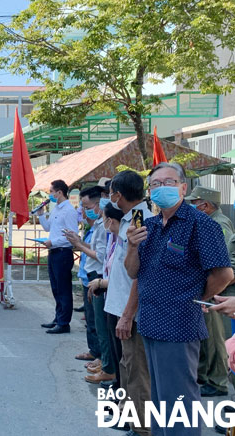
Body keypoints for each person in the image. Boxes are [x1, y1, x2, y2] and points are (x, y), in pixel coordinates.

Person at [125, 163, 233, 436]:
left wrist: (194, 298)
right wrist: (132, 247)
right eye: (156, 184)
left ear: (184, 187)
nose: (163, 188)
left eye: (170, 182)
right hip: (149, 323)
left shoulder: (201, 225)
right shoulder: (148, 226)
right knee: (160, 403)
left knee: (179, 404)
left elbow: (224, 274)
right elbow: (133, 271)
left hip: (179, 326)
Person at [103, 170, 153, 436]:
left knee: (136, 370)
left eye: (111, 192)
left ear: (118, 195)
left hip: (128, 308)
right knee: (126, 367)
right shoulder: (128, 219)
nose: (110, 197)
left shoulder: (140, 220)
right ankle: (128, 415)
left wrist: (127, 313)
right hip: (118, 304)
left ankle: (142, 427)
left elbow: (139, 273)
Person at [185, 186, 234, 398]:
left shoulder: (217, 225)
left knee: (216, 340)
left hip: (221, 291)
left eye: (193, 203)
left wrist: (211, 291)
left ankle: (218, 382)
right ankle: (208, 377)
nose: (190, 207)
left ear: (204, 205)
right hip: (213, 290)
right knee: (209, 338)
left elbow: (223, 265)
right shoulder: (209, 222)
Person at [68, 186, 111, 383]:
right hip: (92, 275)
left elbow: (101, 256)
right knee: (94, 321)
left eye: (86, 206)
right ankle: (101, 359)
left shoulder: (105, 226)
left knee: (101, 323)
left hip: (100, 276)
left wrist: (79, 246)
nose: (84, 211)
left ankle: (104, 362)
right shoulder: (97, 225)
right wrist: (79, 242)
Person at [87, 202, 124, 390]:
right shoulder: (115, 237)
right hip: (109, 291)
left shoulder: (125, 238)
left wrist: (102, 283)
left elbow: (125, 276)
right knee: (110, 337)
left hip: (119, 297)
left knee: (121, 346)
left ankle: (117, 381)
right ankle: (116, 380)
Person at [36, 180, 79, 334]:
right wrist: (41, 215)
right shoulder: (56, 209)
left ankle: (64, 322)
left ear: (60, 192)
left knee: (63, 288)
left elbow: (72, 235)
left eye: (52, 192)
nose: (50, 195)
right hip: (53, 251)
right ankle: (58, 318)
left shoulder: (69, 211)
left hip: (62, 252)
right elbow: (49, 227)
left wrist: (52, 241)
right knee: (55, 288)